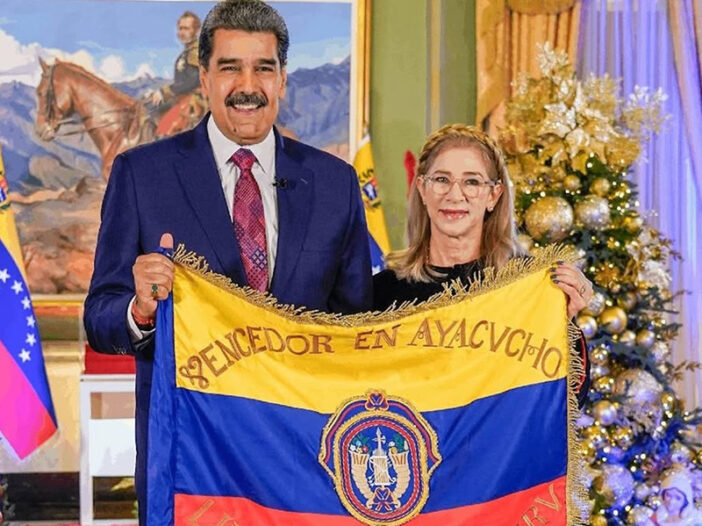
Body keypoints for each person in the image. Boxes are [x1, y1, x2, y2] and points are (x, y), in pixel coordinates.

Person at [83, 1, 372, 523]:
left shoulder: (335, 184)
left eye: (263, 68)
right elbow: (100, 319)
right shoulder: (142, 175)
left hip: (305, 464)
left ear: (283, 79)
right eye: (230, 67)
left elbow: (358, 327)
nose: (247, 85)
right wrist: (139, 309)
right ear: (204, 78)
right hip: (191, 466)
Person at [373, 124, 591, 404]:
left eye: (472, 182)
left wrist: (565, 322)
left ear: (494, 195)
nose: (455, 195)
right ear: (422, 189)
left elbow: (564, 401)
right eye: (441, 179)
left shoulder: (527, 288)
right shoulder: (381, 292)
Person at [150, 11, 205, 136]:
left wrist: (165, 91)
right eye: (180, 28)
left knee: (165, 131)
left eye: (186, 28)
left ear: (196, 30)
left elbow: (194, 80)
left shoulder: (196, 51)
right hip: (182, 98)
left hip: (194, 100)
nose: (182, 32)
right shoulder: (187, 52)